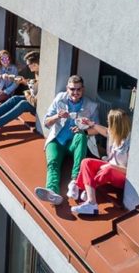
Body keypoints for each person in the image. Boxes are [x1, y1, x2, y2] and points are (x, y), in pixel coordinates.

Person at [34, 76, 98, 206]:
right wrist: (57, 116)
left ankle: (75, 181)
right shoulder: (60, 99)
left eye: (78, 89)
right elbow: (46, 122)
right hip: (57, 140)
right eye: (72, 89)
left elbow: (97, 130)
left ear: (83, 89)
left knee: (81, 136)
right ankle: (52, 192)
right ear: (67, 89)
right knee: (53, 163)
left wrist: (83, 129)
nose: (75, 92)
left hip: (74, 143)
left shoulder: (91, 106)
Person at [70, 109, 131, 216]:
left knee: (108, 169)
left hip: (122, 176)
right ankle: (83, 191)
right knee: (86, 162)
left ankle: (89, 196)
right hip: (109, 167)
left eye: (109, 122)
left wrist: (111, 166)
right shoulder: (113, 133)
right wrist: (89, 123)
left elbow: (131, 171)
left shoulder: (131, 143)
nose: (108, 124)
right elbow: (101, 130)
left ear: (115, 124)